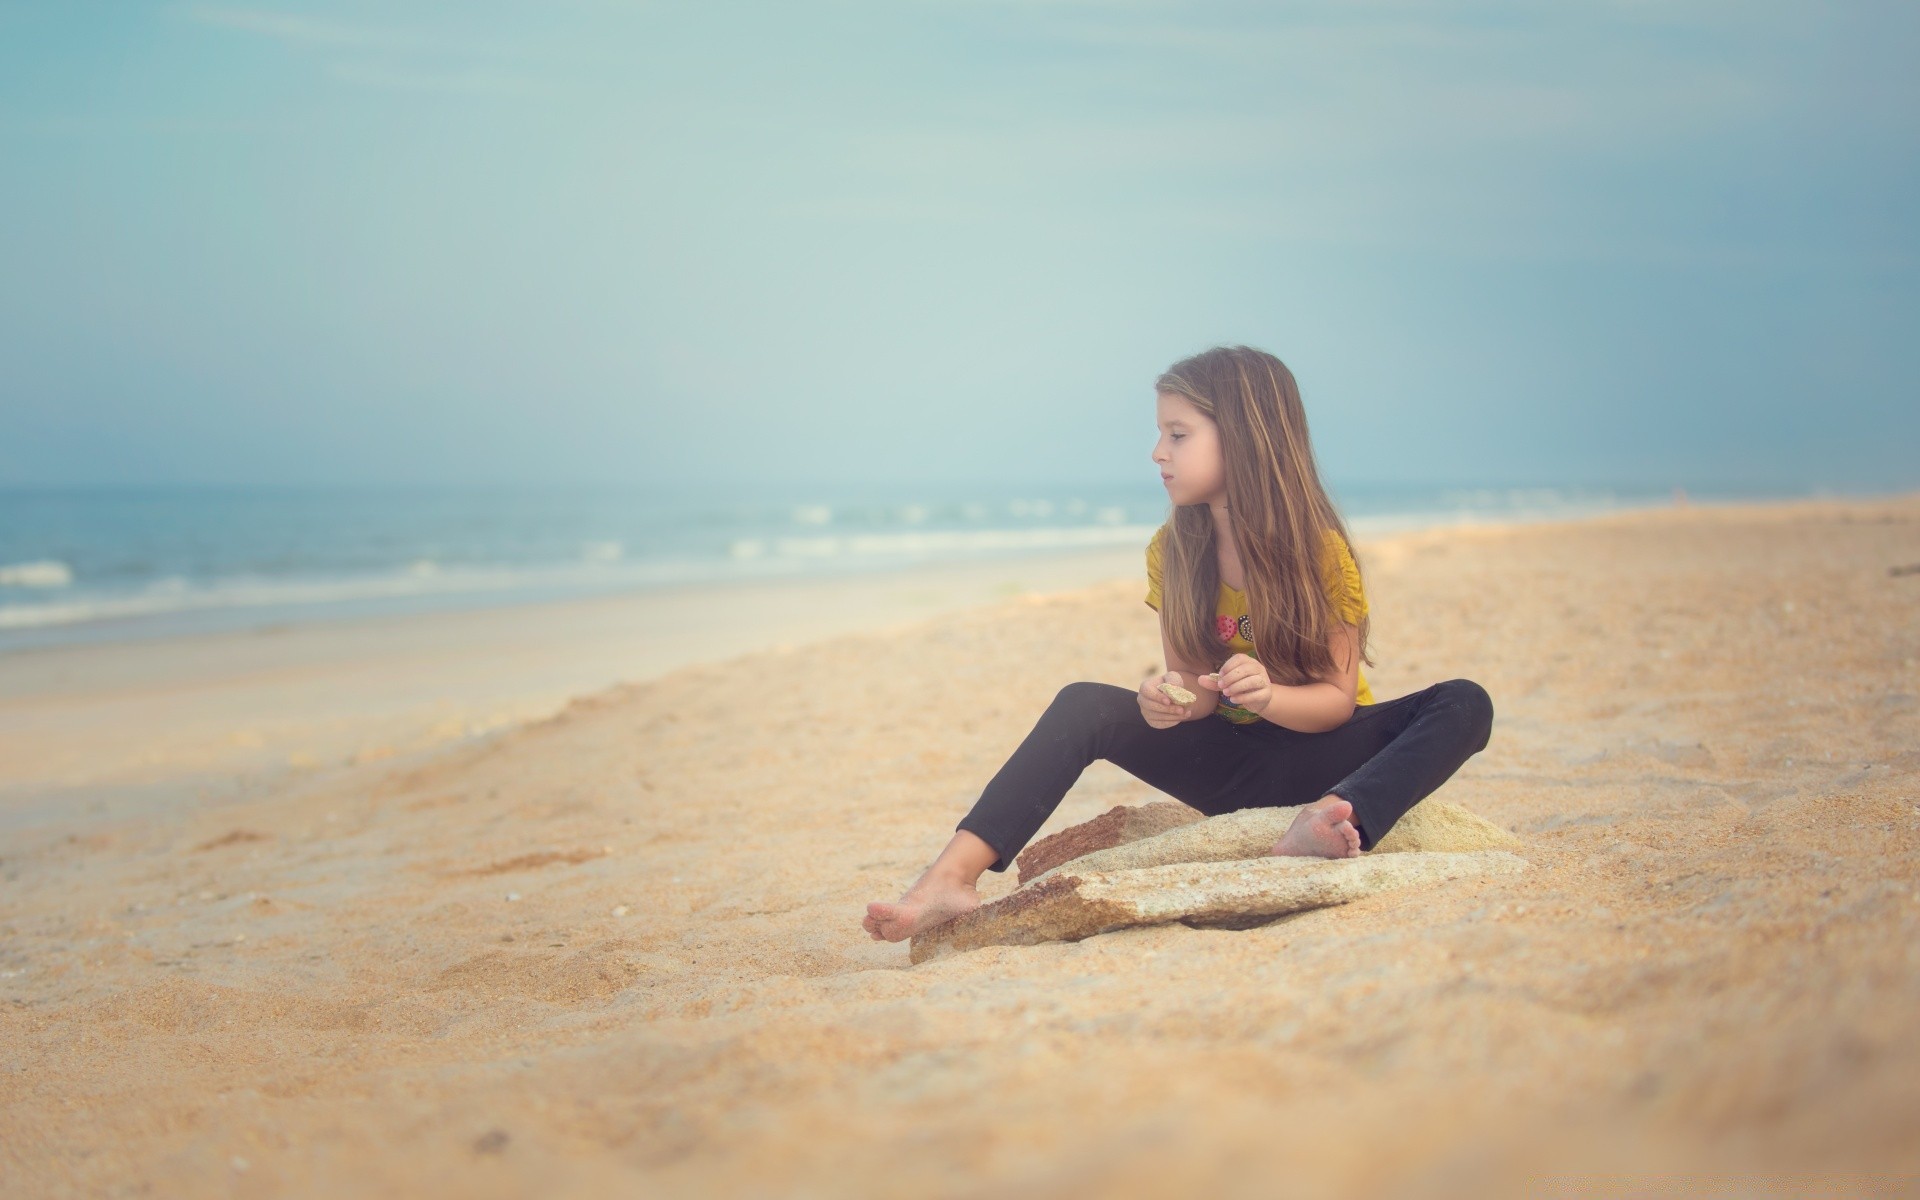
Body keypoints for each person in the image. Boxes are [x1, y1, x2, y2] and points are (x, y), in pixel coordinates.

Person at [862, 345, 1495, 943]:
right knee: (1085, 702)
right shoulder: (1174, 550)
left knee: (1466, 703)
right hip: (1233, 767)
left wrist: (1271, 697)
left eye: (1178, 434)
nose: (1158, 452)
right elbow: (1193, 686)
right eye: (1162, 434)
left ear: (1245, 438)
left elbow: (1335, 700)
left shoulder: (1320, 553)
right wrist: (1167, 700)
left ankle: (1333, 818)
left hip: (1327, 758)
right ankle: (951, 877)